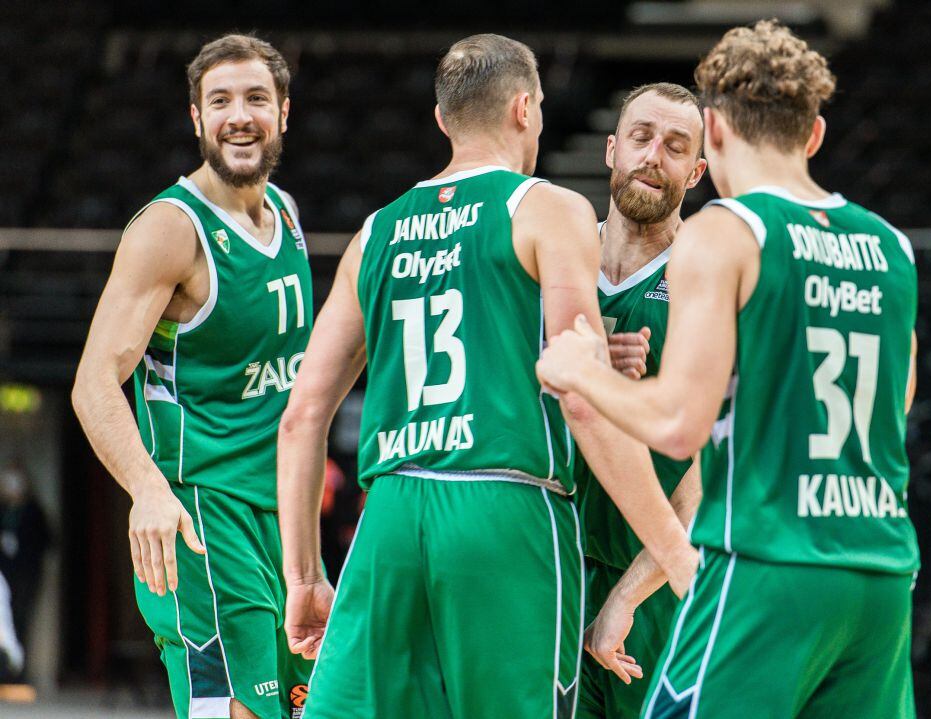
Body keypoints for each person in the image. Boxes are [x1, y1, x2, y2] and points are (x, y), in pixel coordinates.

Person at [276, 33, 696, 719]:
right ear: (526, 109)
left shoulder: (376, 229)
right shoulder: (548, 209)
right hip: (506, 509)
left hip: (390, 510)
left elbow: (300, 418)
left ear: (443, 119)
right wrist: (682, 561)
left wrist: (303, 576)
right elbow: (579, 400)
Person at [537, 19, 919, 719]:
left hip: (768, 560)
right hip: (880, 566)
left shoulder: (728, 230)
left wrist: (581, 370)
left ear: (711, 136)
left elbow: (679, 427)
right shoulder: (891, 246)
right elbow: (893, 406)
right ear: (815, 136)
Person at [72, 34, 313, 719]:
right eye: (221, 100)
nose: (240, 114)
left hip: (281, 521)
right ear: (197, 118)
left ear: (284, 113)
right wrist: (147, 487)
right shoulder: (171, 230)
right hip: (205, 517)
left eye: (256, 98)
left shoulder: (288, 215)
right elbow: (94, 380)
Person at [576, 83, 708, 719]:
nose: (654, 155)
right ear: (611, 149)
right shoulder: (556, 268)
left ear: (697, 171)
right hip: (548, 569)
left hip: (652, 584)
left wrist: (626, 598)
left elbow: (704, 488)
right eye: (641, 137)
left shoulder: (706, 284)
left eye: (676, 146)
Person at [0, 466, 50, 685]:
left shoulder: (32, 511)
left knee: (20, 622)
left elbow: (48, 540)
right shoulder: (3, 509)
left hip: (26, 576)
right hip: (4, 575)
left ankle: (18, 675)